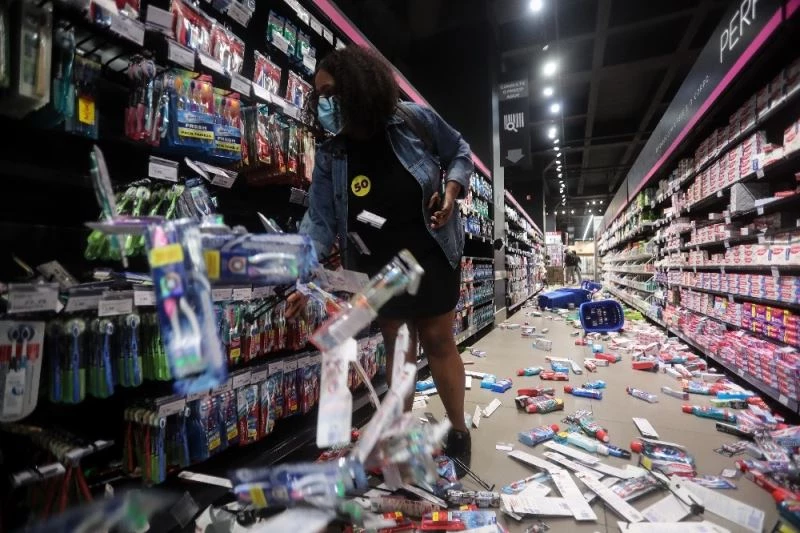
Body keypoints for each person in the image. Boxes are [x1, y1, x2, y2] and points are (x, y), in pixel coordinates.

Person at [287, 46, 473, 474]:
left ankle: (459, 429)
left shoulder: (411, 120)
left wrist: (450, 192)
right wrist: (300, 279)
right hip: (381, 265)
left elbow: (459, 151)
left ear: (358, 87)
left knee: (438, 340)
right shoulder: (332, 154)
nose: (326, 103)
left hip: (430, 249)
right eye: (321, 96)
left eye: (332, 92)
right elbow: (319, 221)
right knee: (397, 346)